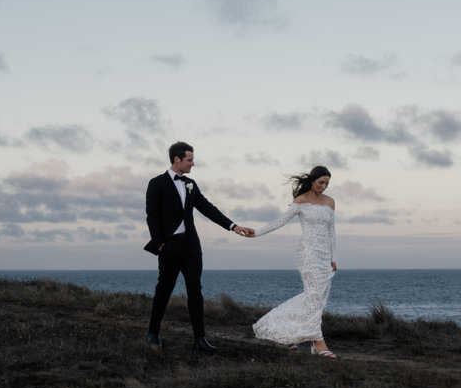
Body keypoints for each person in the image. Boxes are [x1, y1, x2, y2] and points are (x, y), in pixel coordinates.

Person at [145, 141, 254, 354]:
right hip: (169, 247)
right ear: (177, 159)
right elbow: (152, 216)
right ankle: (153, 333)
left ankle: (200, 339)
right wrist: (160, 244)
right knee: (163, 291)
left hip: (192, 248)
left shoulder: (191, 184)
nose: (193, 164)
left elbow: (207, 208)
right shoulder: (156, 183)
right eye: (190, 160)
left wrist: (234, 226)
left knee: (196, 293)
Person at [250, 165, 339, 358]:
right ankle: (318, 342)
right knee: (314, 297)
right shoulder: (301, 200)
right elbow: (280, 221)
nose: (323, 187)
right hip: (308, 253)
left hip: (325, 257)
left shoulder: (330, 202)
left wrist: (334, 258)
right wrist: (256, 233)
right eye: (321, 182)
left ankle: (291, 332)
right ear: (312, 180)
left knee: (316, 298)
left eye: (326, 183)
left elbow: (332, 232)